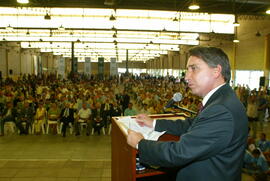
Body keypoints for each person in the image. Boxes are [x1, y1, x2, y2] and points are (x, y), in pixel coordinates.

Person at [127, 46, 248, 181]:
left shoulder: (221, 110)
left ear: (216, 71)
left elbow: (180, 152)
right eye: (187, 70)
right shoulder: (222, 100)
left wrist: (140, 144)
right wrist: (154, 123)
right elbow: (194, 124)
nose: (186, 77)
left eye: (194, 68)